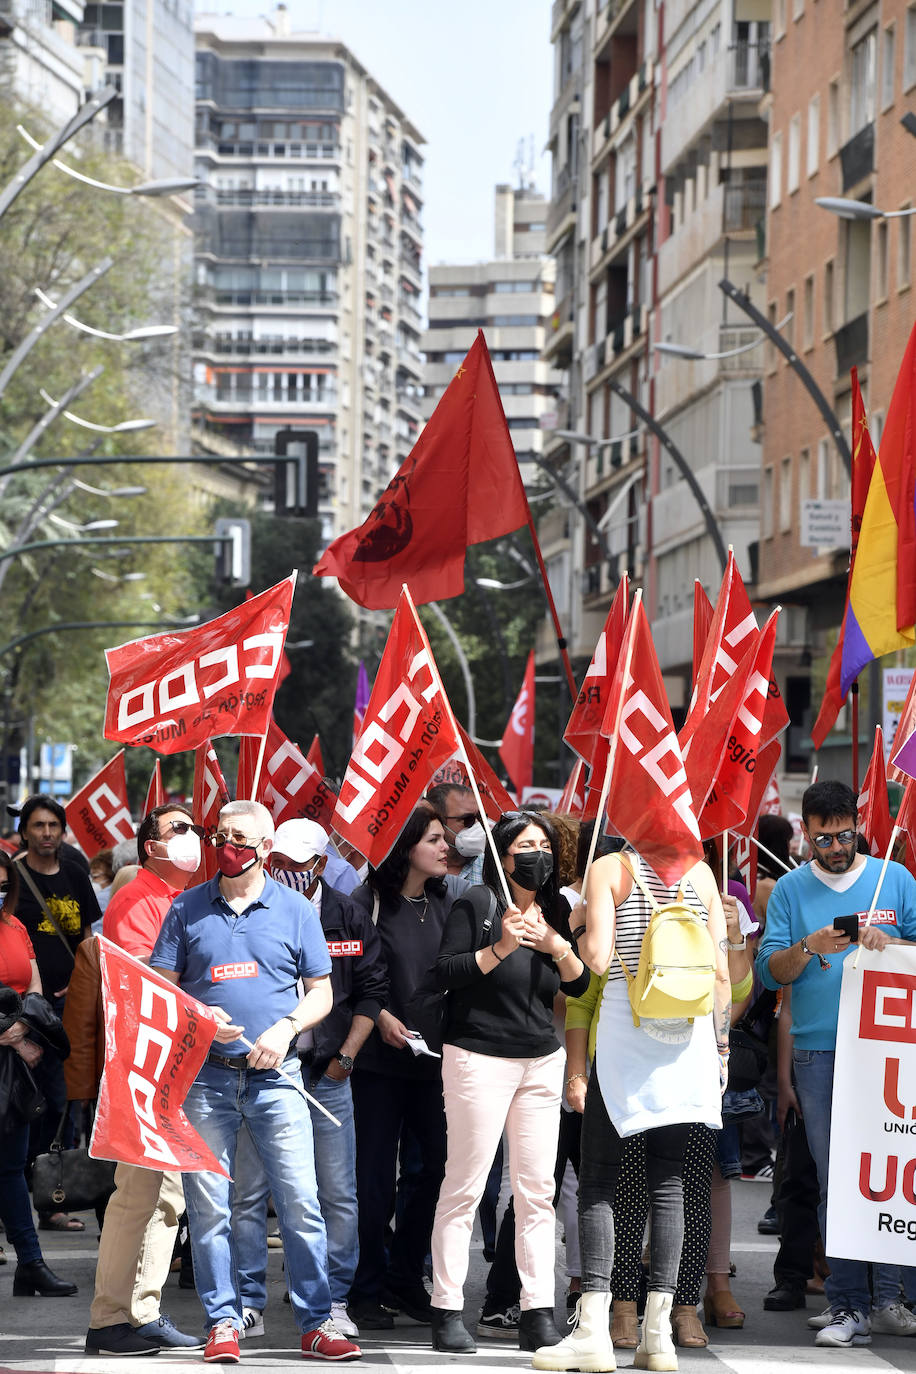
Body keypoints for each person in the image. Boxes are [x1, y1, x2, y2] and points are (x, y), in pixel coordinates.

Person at [150, 799, 359, 1364]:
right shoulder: (186, 908)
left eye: (239, 838)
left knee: (301, 1202)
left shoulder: (295, 910)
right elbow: (162, 988)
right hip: (207, 1082)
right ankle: (224, 1321)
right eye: (220, 835)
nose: (226, 846)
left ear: (265, 849)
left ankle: (316, 1322)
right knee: (211, 1206)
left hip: (278, 1079)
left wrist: (286, 1029)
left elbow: (322, 991)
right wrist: (199, 1017)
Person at [534, 841, 730, 1374]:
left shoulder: (610, 869)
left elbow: (595, 960)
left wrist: (575, 925)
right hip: (688, 1038)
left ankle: (594, 1331)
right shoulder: (703, 874)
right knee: (670, 1183)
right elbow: (720, 970)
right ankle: (658, 1336)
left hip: (628, 1028)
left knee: (598, 1179)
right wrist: (721, 1048)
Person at [756, 779, 916, 1348]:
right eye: (823, 839)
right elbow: (768, 973)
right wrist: (810, 947)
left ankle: (891, 1296)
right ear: (806, 833)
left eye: (844, 836)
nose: (834, 848)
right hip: (820, 1050)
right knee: (837, 1180)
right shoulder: (791, 892)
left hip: (890, 1049)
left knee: (891, 1171)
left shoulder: (894, 878)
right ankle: (849, 1303)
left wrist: (890, 945)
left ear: (858, 825)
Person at [429, 809, 589, 1355]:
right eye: (525, 845)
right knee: (466, 1187)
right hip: (478, 1056)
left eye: (543, 845)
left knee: (536, 1192)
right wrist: (500, 946)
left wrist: (555, 945)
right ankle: (448, 1309)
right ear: (502, 853)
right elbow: (445, 972)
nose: (537, 854)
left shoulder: (557, 907)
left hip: (540, 1060)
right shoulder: (477, 903)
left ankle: (537, 1310)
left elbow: (579, 979)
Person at [231, 817, 388, 1341]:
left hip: (326, 1075)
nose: (290, 872)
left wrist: (346, 1056)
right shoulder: (259, 910)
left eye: (302, 864)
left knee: (336, 1193)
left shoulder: (349, 915)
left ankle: (333, 1297)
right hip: (264, 1073)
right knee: (250, 1192)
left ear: (322, 864)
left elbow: (371, 992)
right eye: (282, 863)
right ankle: (247, 1300)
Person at [82, 803, 205, 1355]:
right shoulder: (139, 897)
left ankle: (141, 1311)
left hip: (164, 1070)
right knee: (139, 1197)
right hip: (145, 1069)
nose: (193, 836)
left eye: (193, 827)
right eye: (178, 829)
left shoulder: (174, 900)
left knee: (163, 1198)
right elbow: (140, 986)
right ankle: (112, 1318)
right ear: (151, 846)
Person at [347, 800, 464, 1329]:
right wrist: (384, 1019)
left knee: (435, 1170)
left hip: (435, 1065)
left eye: (446, 838)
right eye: (435, 839)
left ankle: (403, 1275)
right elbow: (350, 979)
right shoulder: (365, 902)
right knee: (372, 1179)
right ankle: (364, 1287)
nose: (447, 847)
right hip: (376, 1064)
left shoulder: (450, 901)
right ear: (406, 846)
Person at [13, 793, 101, 1232]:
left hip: (69, 1008)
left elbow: (88, 939)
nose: (47, 834)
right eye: (38, 826)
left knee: (63, 1099)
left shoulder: (76, 875)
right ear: (24, 831)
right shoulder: (12, 877)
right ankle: (17, 1186)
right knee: (20, 1100)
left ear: (63, 832)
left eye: (53, 826)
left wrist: (83, 984)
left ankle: (53, 1198)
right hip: (21, 1012)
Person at [0, 849, 77, 1297]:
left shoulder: (16, 927)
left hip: (17, 1063)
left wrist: (22, 1031)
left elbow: (34, 989)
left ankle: (31, 1263)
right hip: (11, 1048)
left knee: (11, 1166)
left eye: (3, 885)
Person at [427, 782, 487, 886]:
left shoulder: (492, 869)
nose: (477, 825)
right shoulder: (415, 870)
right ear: (439, 820)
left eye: (480, 817)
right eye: (468, 819)